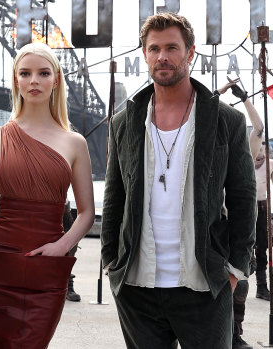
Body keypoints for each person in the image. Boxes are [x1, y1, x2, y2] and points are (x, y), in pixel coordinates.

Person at [101, 13, 256, 349]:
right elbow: (114, 198)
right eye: (154, 48)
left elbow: (244, 198)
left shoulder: (225, 120)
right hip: (137, 288)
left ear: (191, 52)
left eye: (172, 47)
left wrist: (234, 270)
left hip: (204, 285)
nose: (163, 57)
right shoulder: (123, 122)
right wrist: (112, 263)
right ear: (144, 54)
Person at [0, 42, 95, 348]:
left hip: (48, 264)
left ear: (56, 80)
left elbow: (87, 212)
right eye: (25, 73)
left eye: (43, 73)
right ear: (16, 80)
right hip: (0, 264)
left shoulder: (75, 142)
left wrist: (61, 247)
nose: (34, 80)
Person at [216, 78, 265, 349]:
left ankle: (235, 332)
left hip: (235, 229)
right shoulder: (208, 154)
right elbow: (195, 116)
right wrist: (218, 93)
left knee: (241, 285)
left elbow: (258, 128)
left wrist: (244, 97)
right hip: (212, 229)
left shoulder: (244, 155)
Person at [253, 141, 273, 302]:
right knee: (240, 246)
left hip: (263, 209)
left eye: (264, 145)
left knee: (263, 247)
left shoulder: (271, 164)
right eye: (259, 144)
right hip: (246, 209)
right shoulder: (245, 160)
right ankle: (235, 287)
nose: (262, 148)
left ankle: (262, 287)